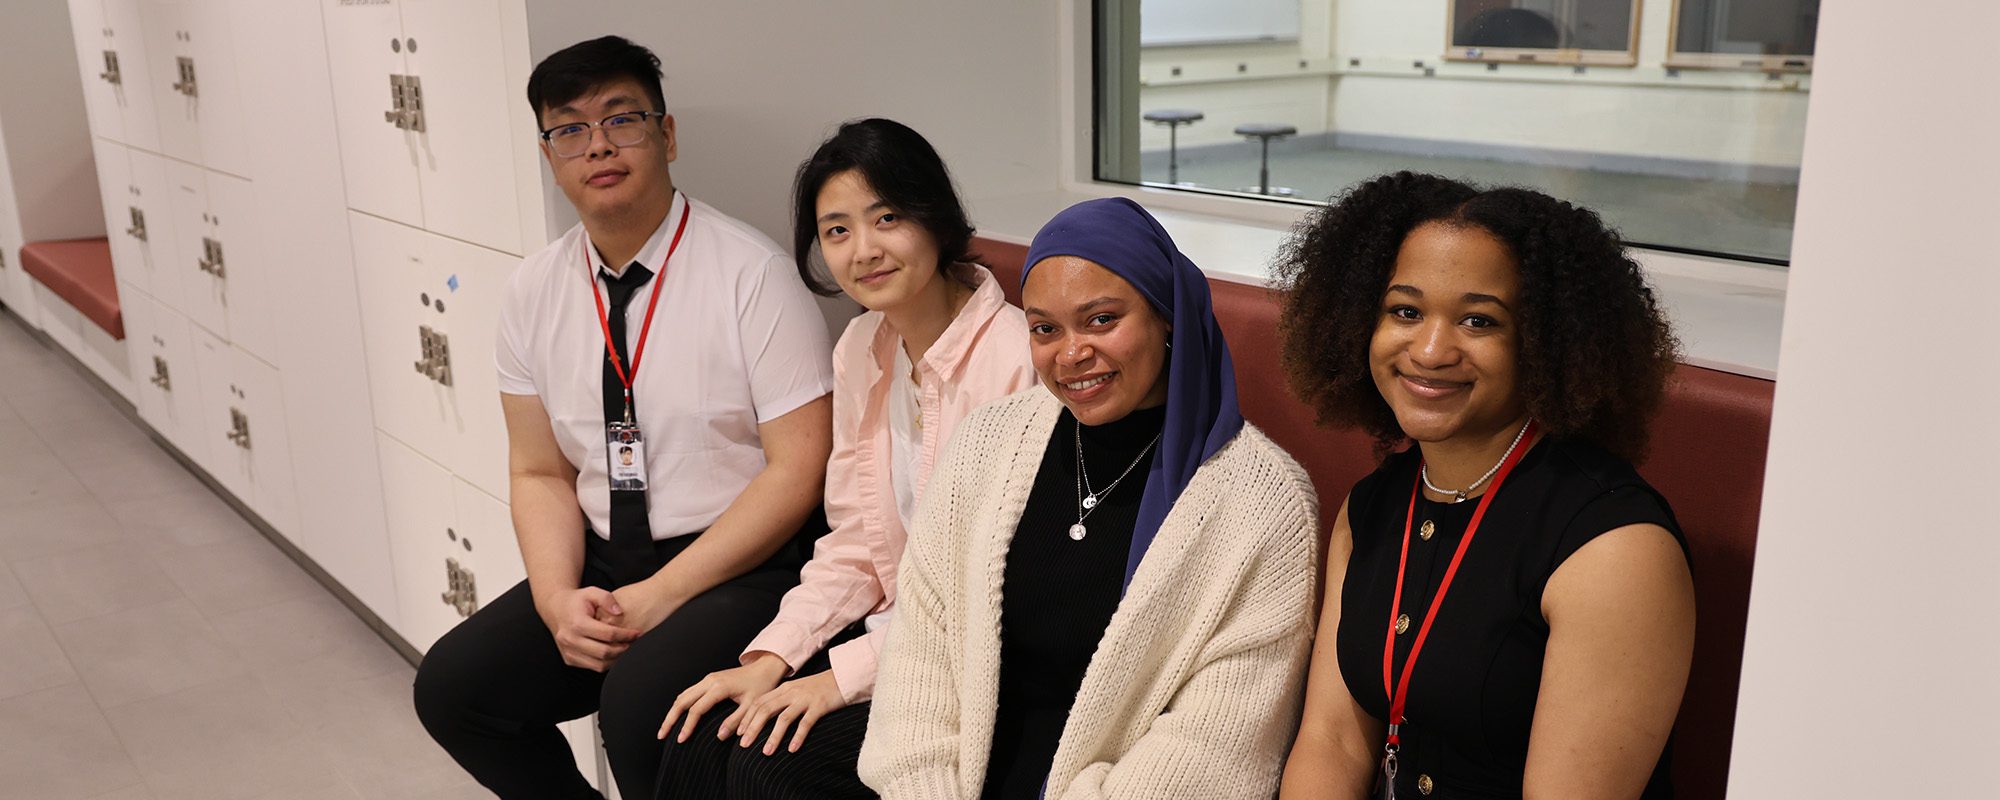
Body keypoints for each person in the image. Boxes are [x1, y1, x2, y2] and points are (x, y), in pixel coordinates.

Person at [411, 35, 836, 800]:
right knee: (455, 690)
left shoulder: (753, 275)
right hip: (606, 559)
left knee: (640, 708)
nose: (598, 146)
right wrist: (556, 600)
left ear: (666, 135)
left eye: (621, 119)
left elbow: (799, 471)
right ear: (550, 155)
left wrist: (663, 593)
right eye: (570, 129)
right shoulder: (532, 291)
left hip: (744, 563)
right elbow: (538, 470)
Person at [858, 197, 1321, 799]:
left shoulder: (1265, 504)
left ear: (1167, 315)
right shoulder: (986, 442)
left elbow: (1211, 750)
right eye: (1045, 329)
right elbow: (921, 655)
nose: (1071, 354)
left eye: (1101, 320)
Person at [1274, 172, 1696, 799]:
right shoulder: (1372, 507)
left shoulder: (1616, 549)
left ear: (1547, 344)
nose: (1430, 350)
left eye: (1478, 321)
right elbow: (1331, 742)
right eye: (1406, 311)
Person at [650, 117, 1037, 799]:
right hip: (895, 637)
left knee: (770, 767)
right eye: (836, 230)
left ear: (934, 216)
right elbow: (855, 542)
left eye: (887, 218)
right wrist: (774, 657)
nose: (864, 250)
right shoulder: (861, 346)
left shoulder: (1014, 357)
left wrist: (838, 679)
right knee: (703, 733)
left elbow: (991, 591)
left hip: (978, 660)